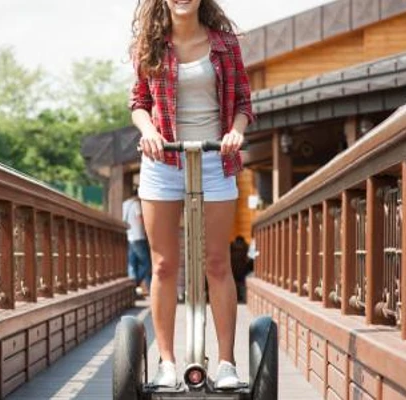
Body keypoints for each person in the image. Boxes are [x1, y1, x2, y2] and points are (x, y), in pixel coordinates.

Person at [129, 0, 254, 389]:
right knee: (164, 266)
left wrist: (236, 131)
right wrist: (148, 131)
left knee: (217, 263)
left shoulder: (224, 44)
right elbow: (138, 104)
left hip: (216, 159)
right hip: (163, 161)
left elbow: (245, 104)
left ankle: (227, 364)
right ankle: (166, 363)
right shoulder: (150, 44)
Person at [123, 187, 152, 296]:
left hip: (129, 236)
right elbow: (140, 219)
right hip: (138, 236)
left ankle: (131, 290)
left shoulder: (125, 204)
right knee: (147, 264)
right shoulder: (136, 204)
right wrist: (148, 231)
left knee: (132, 264)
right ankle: (134, 284)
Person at [230, 235, 250, 303]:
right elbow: (249, 258)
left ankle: (234, 298)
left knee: (233, 283)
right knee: (242, 283)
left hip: (232, 268)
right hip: (243, 268)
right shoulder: (246, 246)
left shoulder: (231, 245)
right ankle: (243, 298)